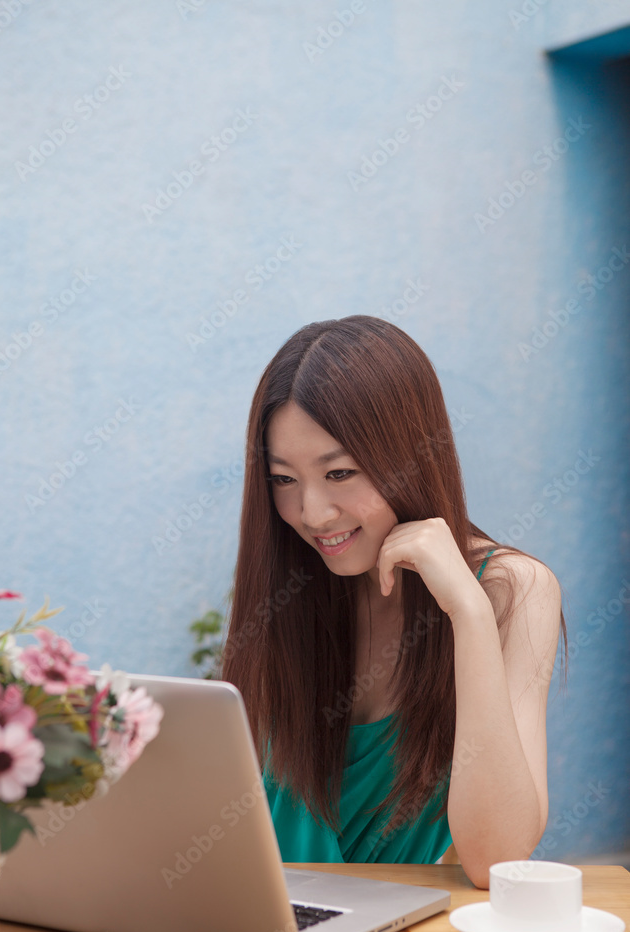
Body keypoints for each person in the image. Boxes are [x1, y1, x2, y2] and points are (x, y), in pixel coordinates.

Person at [221, 315, 566, 889]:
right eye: (283, 480)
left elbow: (499, 860)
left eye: (339, 472)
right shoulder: (290, 586)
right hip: (268, 926)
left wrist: (470, 616)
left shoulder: (511, 588)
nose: (313, 514)